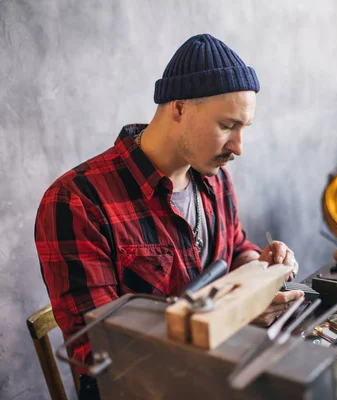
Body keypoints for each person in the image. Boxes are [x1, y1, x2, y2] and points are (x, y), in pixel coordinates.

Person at [34, 34, 303, 399]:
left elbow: (234, 248)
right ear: (178, 109)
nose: (239, 147)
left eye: (244, 128)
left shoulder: (214, 177)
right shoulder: (77, 202)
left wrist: (261, 267)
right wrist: (230, 318)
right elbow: (100, 354)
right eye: (227, 126)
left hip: (219, 371)